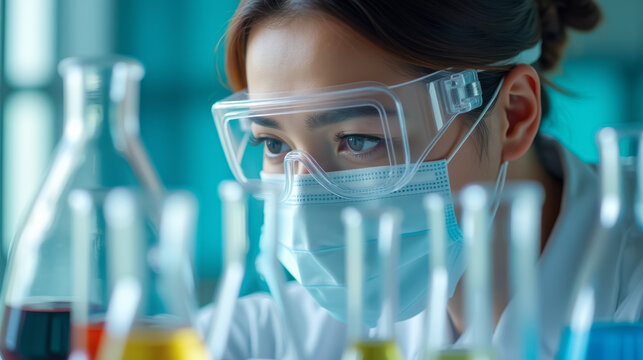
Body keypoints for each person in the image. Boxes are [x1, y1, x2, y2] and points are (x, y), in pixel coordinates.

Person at [201, 0, 643, 359]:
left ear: (513, 115)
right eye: (274, 145)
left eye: (358, 139)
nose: (303, 204)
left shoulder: (629, 308)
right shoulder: (283, 336)